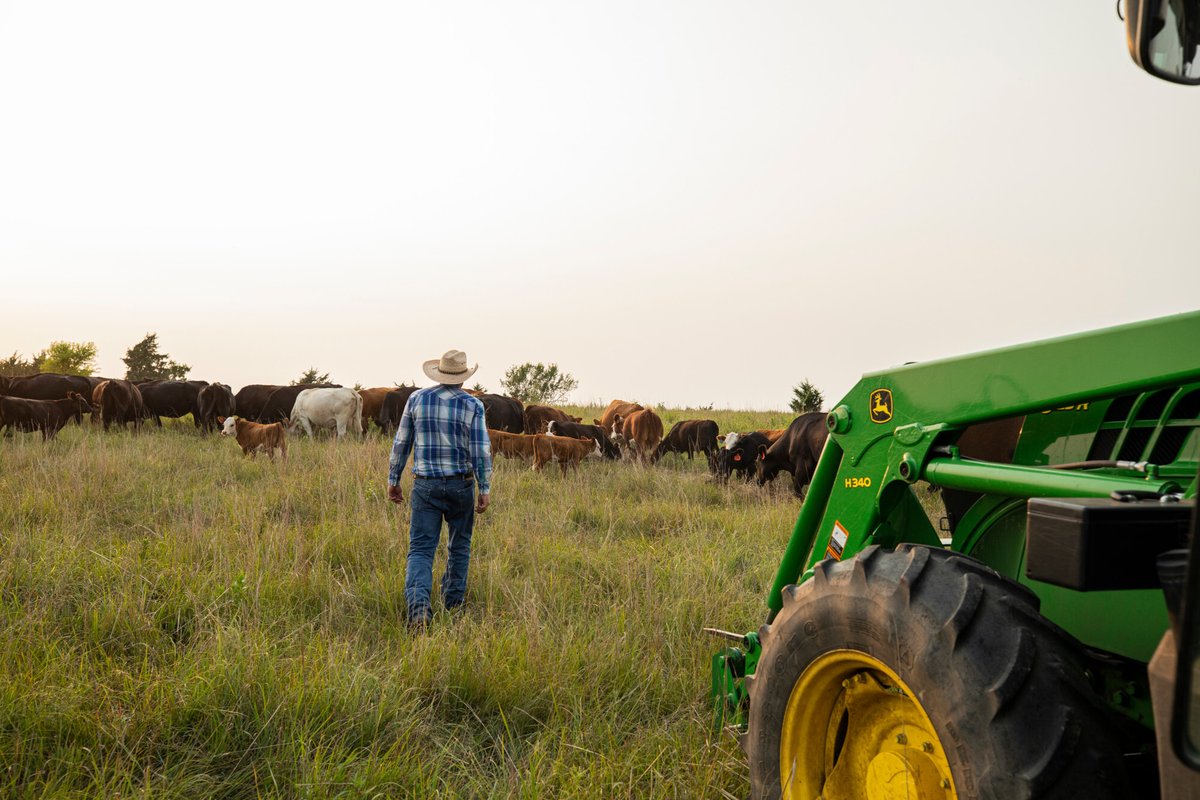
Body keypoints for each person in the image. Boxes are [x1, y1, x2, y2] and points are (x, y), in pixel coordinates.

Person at [386, 349, 492, 628]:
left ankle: (419, 609)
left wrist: (394, 479)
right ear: (463, 376)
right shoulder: (473, 405)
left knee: (421, 549)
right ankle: (453, 606)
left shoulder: (417, 399)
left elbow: (401, 443)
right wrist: (484, 487)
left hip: (425, 484)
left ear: (439, 373)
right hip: (461, 484)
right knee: (460, 546)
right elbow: (481, 450)